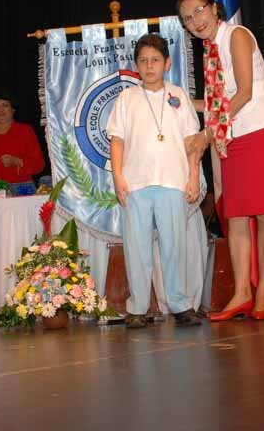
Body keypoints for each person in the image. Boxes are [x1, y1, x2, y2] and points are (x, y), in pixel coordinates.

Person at [177, 0, 264, 321]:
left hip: (262, 129)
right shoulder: (209, 50)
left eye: (199, 11)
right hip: (232, 136)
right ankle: (242, 293)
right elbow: (217, 102)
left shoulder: (237, 35)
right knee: (236, 215)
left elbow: (243, 94)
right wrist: (179, 101)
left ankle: (263, 293)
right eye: (187, 19)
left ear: (214, 8)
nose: (195, 21)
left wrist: (206, 135)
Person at [106, 34, 202, 328]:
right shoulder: (127, 98)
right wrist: (118, 176)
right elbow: (117, 140)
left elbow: (192, 142)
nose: (149, 66)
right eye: (144, 61)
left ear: (167, 63)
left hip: (173, 181)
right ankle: (137, 307)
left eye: (155, 60)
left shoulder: (179, 96)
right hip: (135, 184)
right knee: (137, 248)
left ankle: (180, 304)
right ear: (136, 66)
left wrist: (193, 176)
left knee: (175, 246)